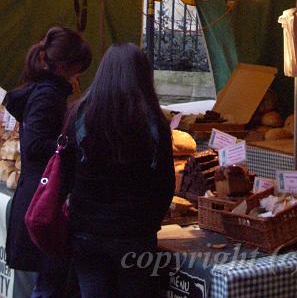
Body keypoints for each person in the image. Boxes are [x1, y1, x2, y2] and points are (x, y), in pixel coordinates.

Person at [62, 42, 174, 298]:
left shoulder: (79, 114)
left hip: (86, 233)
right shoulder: (153, 121)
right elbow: (165, 185)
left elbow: (66, 174)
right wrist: (150, 223)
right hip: (135, 235)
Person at [4, 26, 92, 298]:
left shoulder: (46, 91)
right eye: (79, 67)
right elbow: (34, 147)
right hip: (43, 197)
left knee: (49, 283)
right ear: (66, 65)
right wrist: (71, 143)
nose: (80, 74)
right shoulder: (48, 95)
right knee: (49, 285)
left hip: (37, 194)